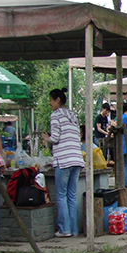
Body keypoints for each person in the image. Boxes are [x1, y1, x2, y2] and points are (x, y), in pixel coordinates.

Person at [42, 88, 84, 238]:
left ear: (57, 99)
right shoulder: (72, 115)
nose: (50, 104)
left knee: (61, 195)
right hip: (76, 159)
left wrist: (46, 138)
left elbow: (55, 138)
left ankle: (64, 230)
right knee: (72, 195)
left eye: (50, 100)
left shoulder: (55, 115)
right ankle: (74, 229)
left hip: (63, 159)